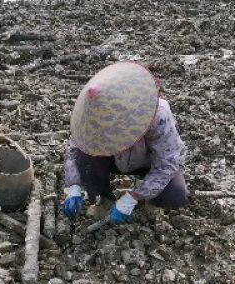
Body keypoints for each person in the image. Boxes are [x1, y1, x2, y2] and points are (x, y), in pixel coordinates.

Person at [62, 62, 189, 224]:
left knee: (175, 194)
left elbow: (168, 162)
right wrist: (74, 186)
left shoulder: (157, 114)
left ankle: (150, 201)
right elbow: (75, 150)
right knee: (85, 159)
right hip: (113, 159)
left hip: (147, 162)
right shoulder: (90, 116)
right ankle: (105, 199)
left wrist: (133, 197)